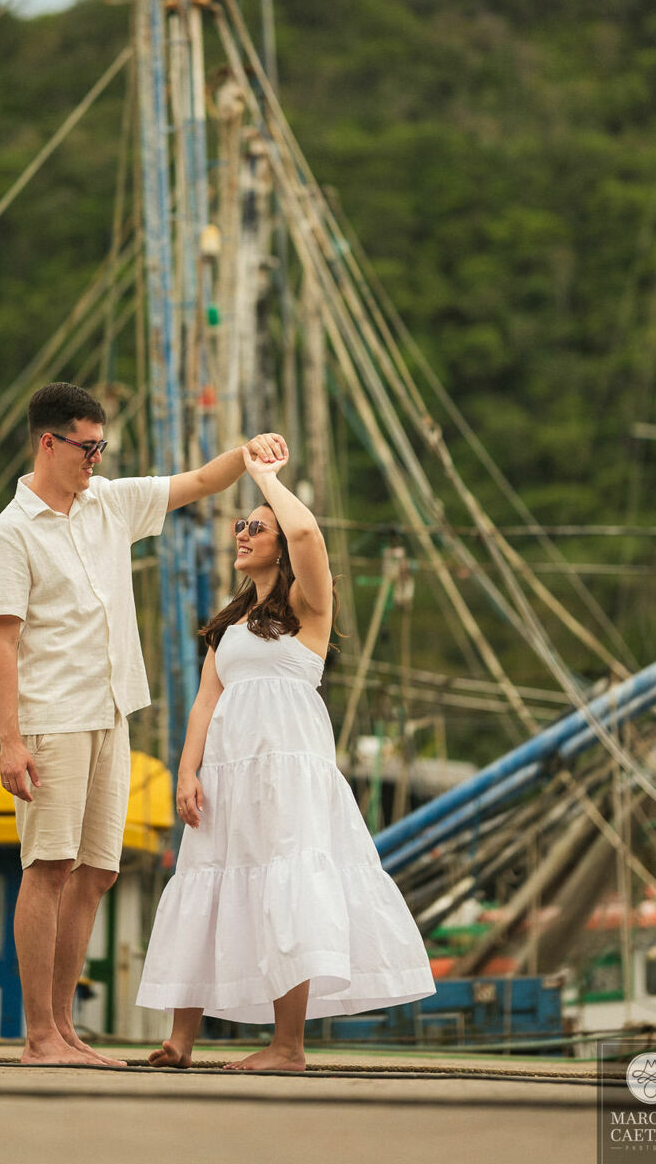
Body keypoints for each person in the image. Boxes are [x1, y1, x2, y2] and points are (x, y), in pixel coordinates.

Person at [0, 380, 288, 1067]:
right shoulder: (10, 533)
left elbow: (200, 482)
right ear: (48, 443)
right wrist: (11, 743)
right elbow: (2, 641)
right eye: (87, 447)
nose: (96, 458)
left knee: (96, 872)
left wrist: (250, 453)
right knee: (49, 864)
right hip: (52, 715)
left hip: (112, 708)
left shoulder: (109, 502)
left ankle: (64, 1028)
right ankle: (37, 1037)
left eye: (102, 446)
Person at [136, 442, 435, 1072]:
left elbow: (303, 528)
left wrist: (264, 476)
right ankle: (179, 1040)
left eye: (254, 526)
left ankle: (287, 1046)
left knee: (287, 885)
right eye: (240, 525)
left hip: (288, 768)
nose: (242, 533)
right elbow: (203, 705)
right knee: (206, 883)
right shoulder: (228, 626)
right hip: (228, 771)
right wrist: (188, 771)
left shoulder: (308, 609)